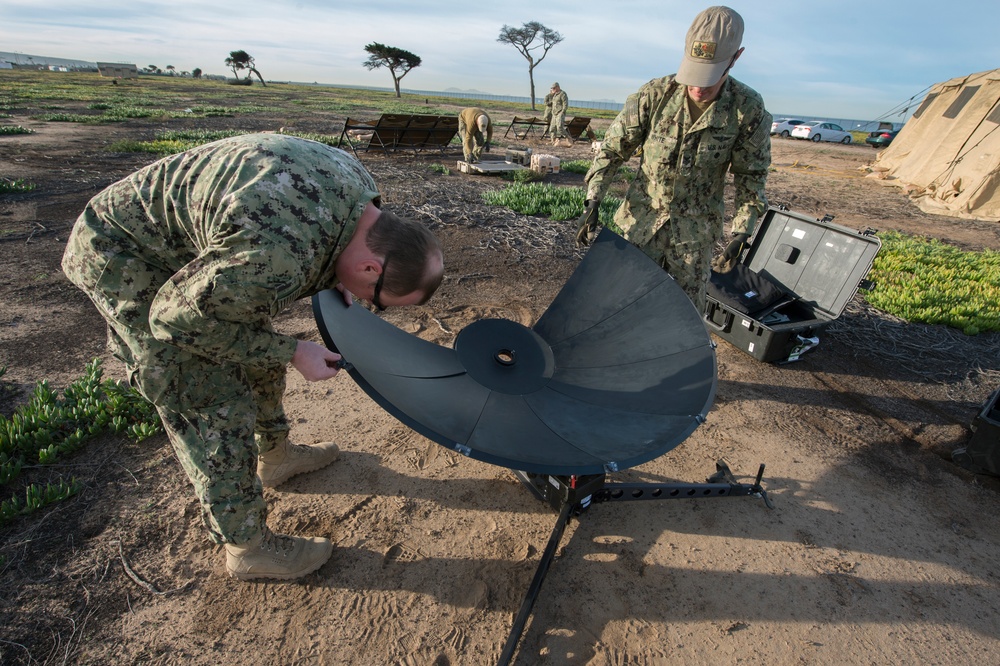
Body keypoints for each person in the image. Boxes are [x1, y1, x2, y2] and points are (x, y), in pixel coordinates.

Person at [61, 133, 445, 582]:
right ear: (369, 268)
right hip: (125, 254)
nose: (368, 305)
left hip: (205, 253)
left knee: (248, 335)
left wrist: (330, 277)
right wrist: (292, 350)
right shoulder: (275, 255)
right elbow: (173, 320)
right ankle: (248, 548)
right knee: (208, 394)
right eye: (375, 299)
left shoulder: (360, 192)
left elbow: (279, 251)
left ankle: (274, 455)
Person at [576, 6, 771, 312]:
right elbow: (613, 150)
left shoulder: (747, 109)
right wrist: (594, 198)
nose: (698, 87)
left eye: (709, 77)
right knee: (618, 304)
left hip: (695, 237)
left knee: (683, 315)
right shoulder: (655, 95)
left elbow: (752, 176)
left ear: (735, 58)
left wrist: (742, 231)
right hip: (641, 223)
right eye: (693, 73)